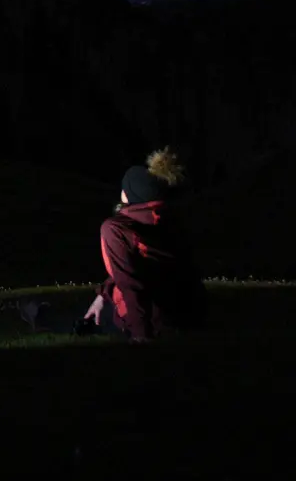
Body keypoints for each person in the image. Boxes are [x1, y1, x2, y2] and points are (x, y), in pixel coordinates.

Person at [81, 146, 208, 342]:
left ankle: (35, 314)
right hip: (190, 314)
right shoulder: (168, 219)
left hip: (154, 320)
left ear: (128, 194)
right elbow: (144, 265)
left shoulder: (116, 228)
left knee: (82, 322)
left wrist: (141, 334)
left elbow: (129, 281)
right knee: (97, 312)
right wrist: (103, 295)